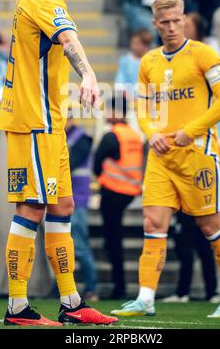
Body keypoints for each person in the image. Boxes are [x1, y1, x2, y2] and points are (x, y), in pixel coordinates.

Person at [0, 0, 117, 327]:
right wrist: (87, 74)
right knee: (31, 207)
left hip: (50, 124)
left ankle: (71, 303)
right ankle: (17, 308)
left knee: (63, 206)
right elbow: (69, 40)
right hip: (33, 121)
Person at [112, 0, 220, 319]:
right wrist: (150, 132)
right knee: (153, 223)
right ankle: (146, 297)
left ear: (184, 19)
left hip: (197, 154)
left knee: (209, 225)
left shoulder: (204, 55)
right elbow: (142, 106)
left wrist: (192, 130)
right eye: (165, 23)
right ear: (155, 24)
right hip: (161, 156)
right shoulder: (148, 62)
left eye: (177, 21)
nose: (172, 27)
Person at [94, 95, 144, 299]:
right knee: (115, 239)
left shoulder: (111, 136)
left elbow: (96, 164)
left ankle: (119, 288)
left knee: (113, 241)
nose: (105, 114)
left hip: (113, 192)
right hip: (130, 193)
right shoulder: (134, 135)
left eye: (108, 109)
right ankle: (120, 286)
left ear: (116, 112)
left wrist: (102, 177)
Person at [65, 113, 98, 301]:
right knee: (65, 245)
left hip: (77, 199)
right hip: (67, 200)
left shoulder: (81, 138)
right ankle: (62, 288)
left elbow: (69, 164)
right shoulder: (68, 137)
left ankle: (91, 288)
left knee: (80, 246)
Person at [161, 211, 219, 303]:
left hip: (203, 212)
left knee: (206, 254)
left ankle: (212, 293)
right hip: (186, 213)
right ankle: (182, 293)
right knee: (185, 255)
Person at [115, 29, 153, 97]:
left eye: (137, 44)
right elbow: (120, 82)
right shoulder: (125, 61)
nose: (133, 46)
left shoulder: (152, 60)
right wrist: (127, 96)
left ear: (145, 46)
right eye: (132, 43)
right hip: (129, 100)